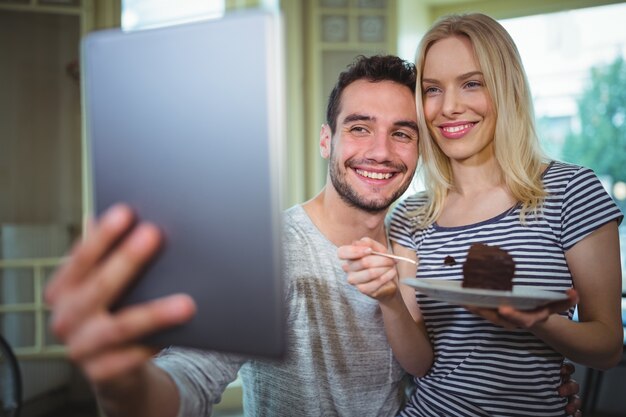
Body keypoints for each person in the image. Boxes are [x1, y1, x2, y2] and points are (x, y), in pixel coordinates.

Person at [45, 54, 581, 417]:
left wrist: (539, 391)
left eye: (402, 134)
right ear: (327, 140)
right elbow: (194, 370)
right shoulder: (269, 249)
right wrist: (128, 387)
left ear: (420, 153)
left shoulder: (416, 241)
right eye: (359, 127)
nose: (380, 151)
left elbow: (432, 367)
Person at [339, 13, 623, 417]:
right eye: (432, 89)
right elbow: (420, 363)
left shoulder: (570, 191)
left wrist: (537, 322)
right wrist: (390, 300)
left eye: (471, 84)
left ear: (506, 89)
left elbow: (608, 347)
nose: (449, 107)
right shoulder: (411, 216)